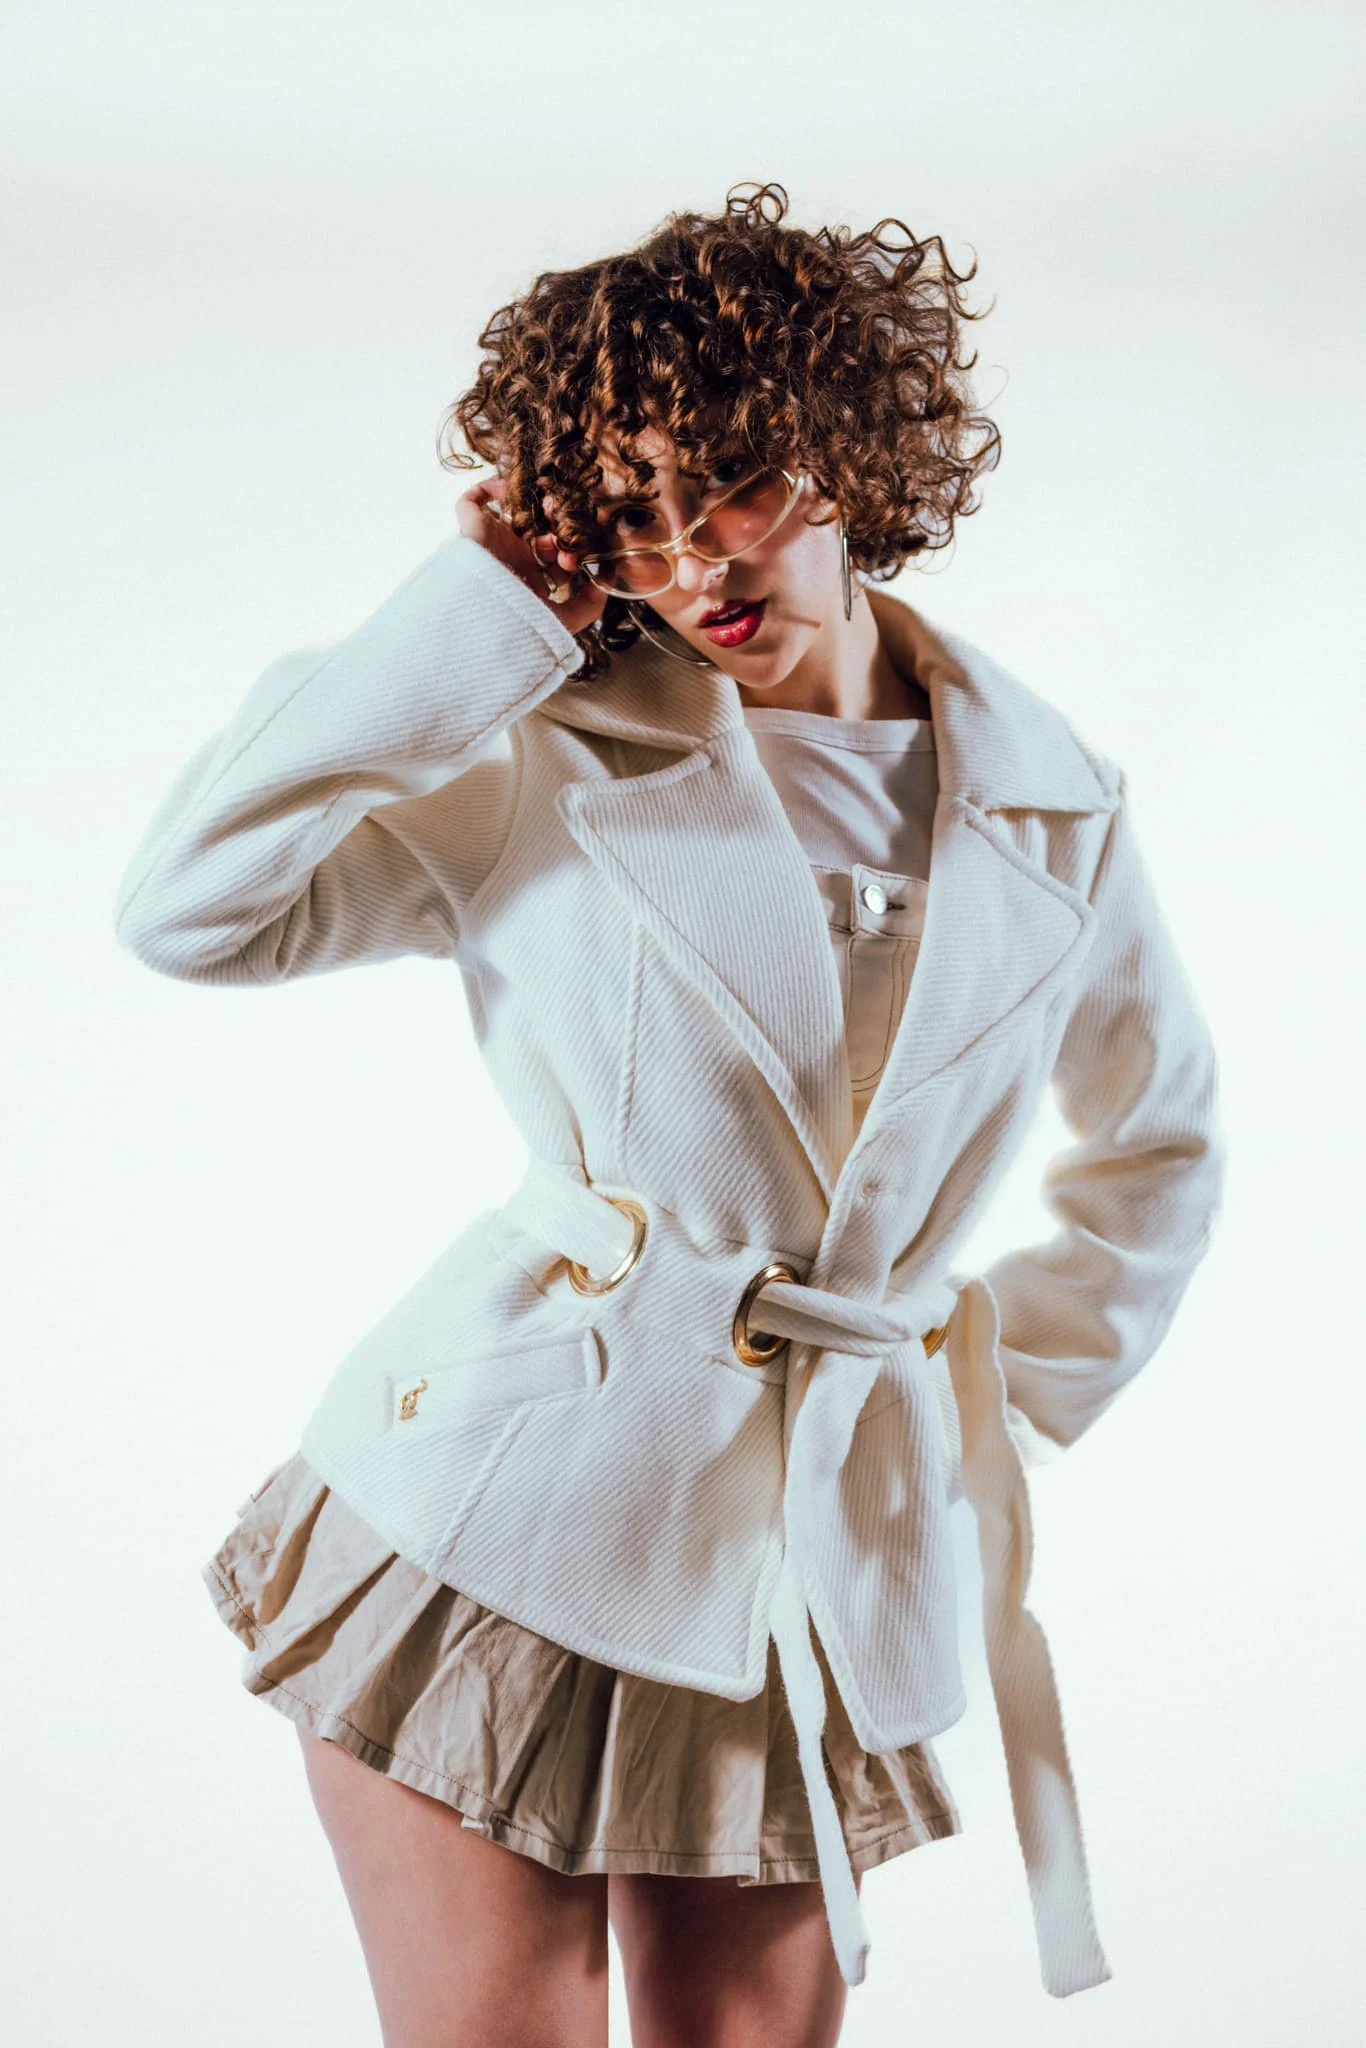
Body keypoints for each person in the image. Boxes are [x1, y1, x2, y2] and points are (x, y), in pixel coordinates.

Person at [112, 182, 1225, 2046]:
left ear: (847, 448)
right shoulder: (530, 746)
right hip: (496, 1516)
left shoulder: (1056, 800)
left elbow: (1158, 1148)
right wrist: (470, 624)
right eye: (631, 519)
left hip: (808, 1573)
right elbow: (187, 912)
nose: (697, 561)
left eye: (733, 489)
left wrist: (977, 1402)